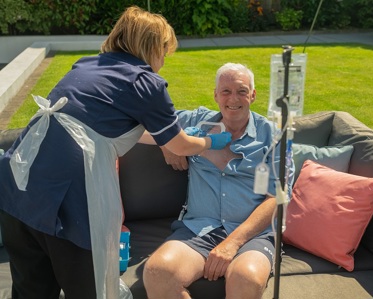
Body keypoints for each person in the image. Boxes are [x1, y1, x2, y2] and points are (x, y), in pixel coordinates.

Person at [0, 6, 231, 299]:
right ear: (152, 47)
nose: (162, 62)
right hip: (69, 206)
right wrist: (213, 144)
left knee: (31, 292)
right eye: (164, 52)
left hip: (17, 190)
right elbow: (179, 145)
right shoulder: (145, 82)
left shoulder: (85, 67)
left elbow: (103, 128)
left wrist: (165, 140)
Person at [142, 63, 294, 299]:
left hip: (252, 235)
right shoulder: (198, 122)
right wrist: (167, 143)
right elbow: (141, 125)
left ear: (253, 95)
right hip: (198, 229)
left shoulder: (274, 137)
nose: (234, 98)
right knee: (157, 272)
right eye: (226, 91)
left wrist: (232, 243)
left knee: (246, 278)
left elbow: (275, 200)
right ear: (215, 95)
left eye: (242, 91)